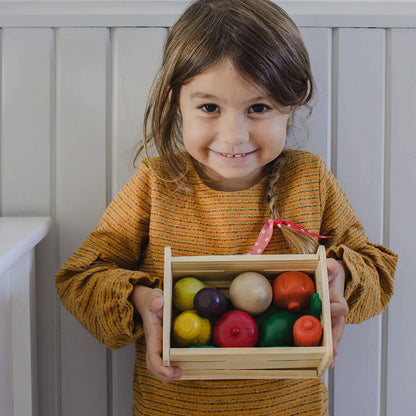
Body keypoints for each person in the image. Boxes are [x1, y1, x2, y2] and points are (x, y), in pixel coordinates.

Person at [55, 0, 398, 414]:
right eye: (209, 107)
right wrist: (142, 301)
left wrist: (342, 274)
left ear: (293, 102)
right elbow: (79, 277)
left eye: (258, 108)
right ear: (175, 102)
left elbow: (377, 266)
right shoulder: (155, 183)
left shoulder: (309, 179)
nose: (233, 135)